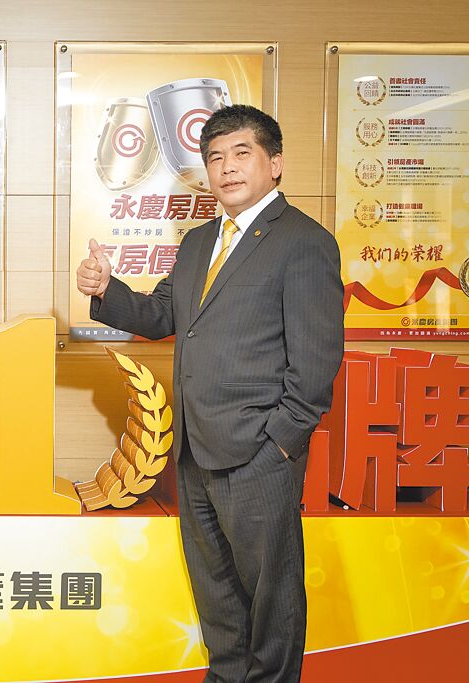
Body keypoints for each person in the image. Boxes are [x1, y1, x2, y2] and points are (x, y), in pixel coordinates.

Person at [76, 104, 343, 682]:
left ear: (275, 163)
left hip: (260, 456)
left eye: (242, 154)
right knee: (218, 599)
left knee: (272, 604)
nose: (227, 168)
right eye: (215, 157)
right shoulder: (199, 241)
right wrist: (106, 290)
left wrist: (278, 444)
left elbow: (315, 364)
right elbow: (162, 315)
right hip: (195, 450)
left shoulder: (304, 241)